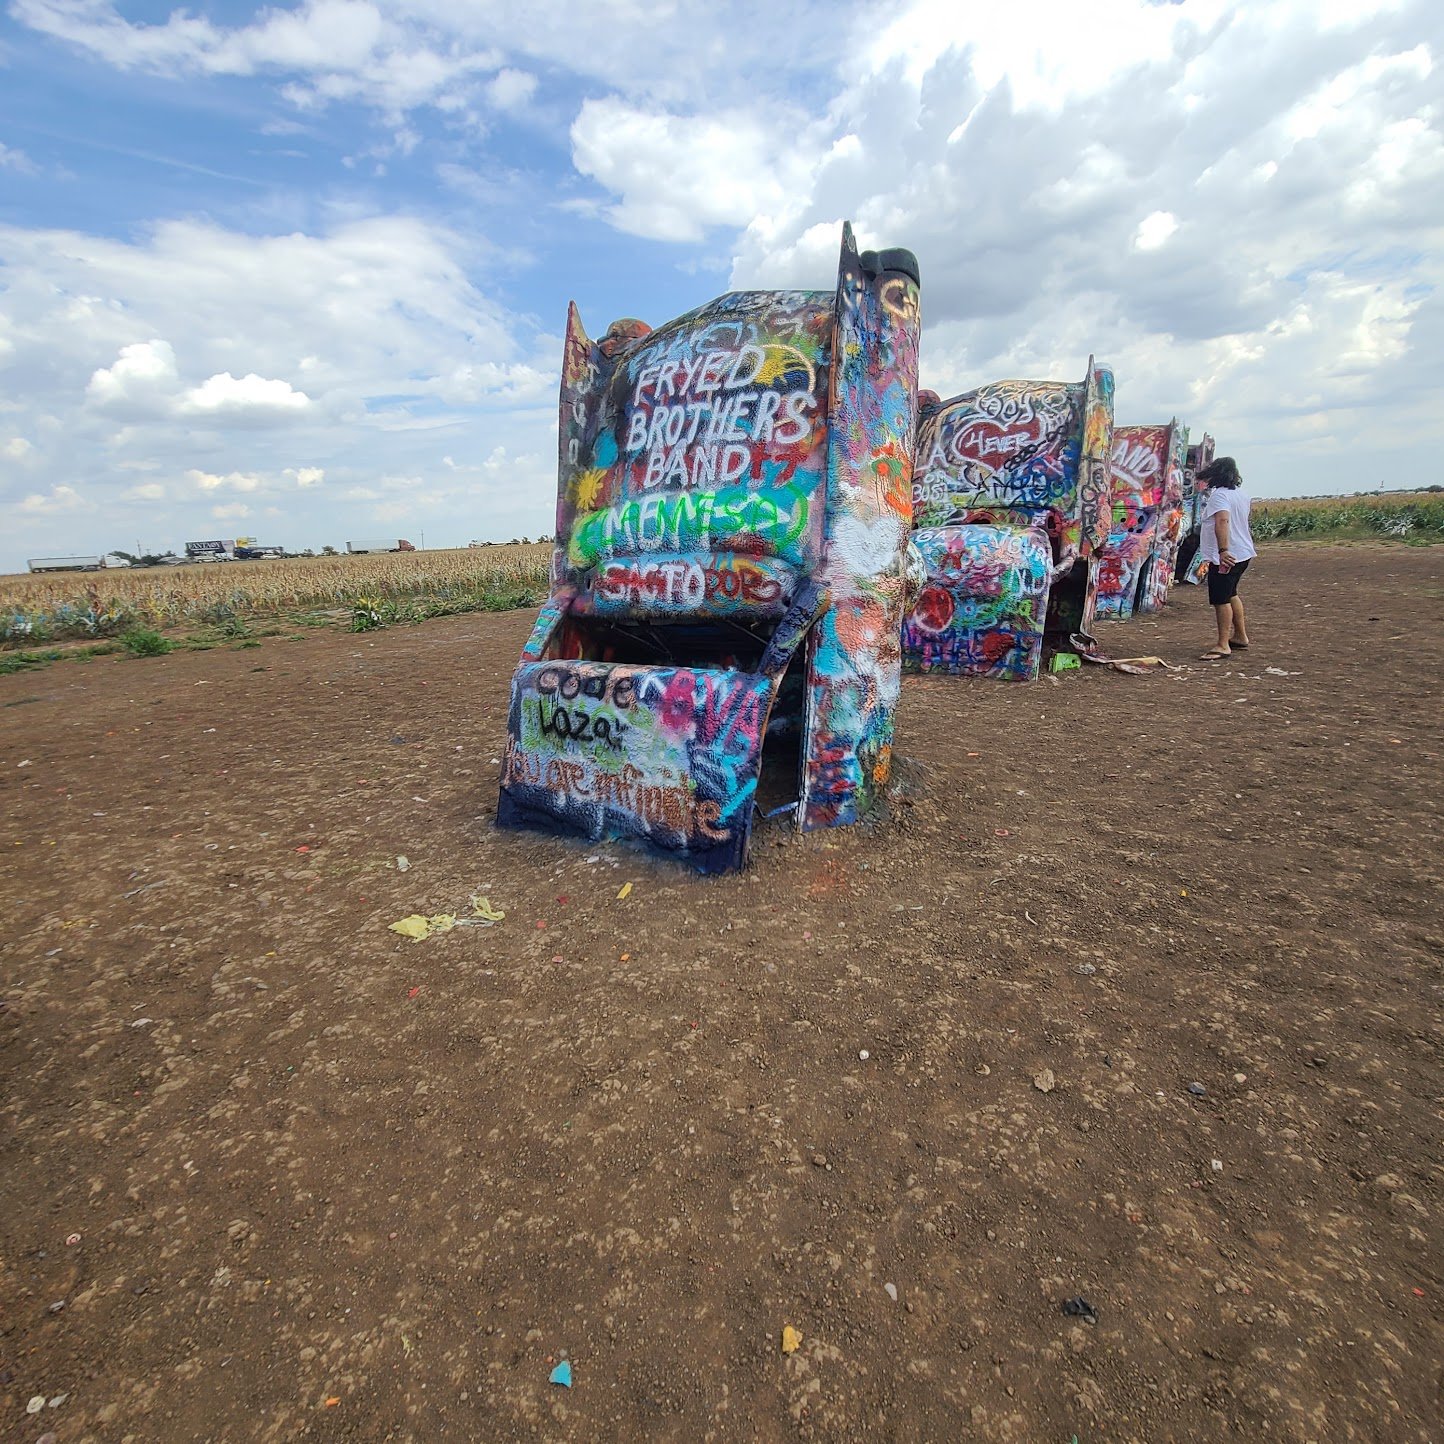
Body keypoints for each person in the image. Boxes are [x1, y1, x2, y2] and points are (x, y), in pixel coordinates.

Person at [1196, 456, 1255, 660]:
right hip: (1243, 552)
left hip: (1227, 556)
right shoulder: (1241, 494)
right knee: (1231, 593)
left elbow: (1222, 521)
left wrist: (1223, 551)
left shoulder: (1219, 496)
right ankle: (1240, 636)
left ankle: (1223, 645)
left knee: (1221, 599)